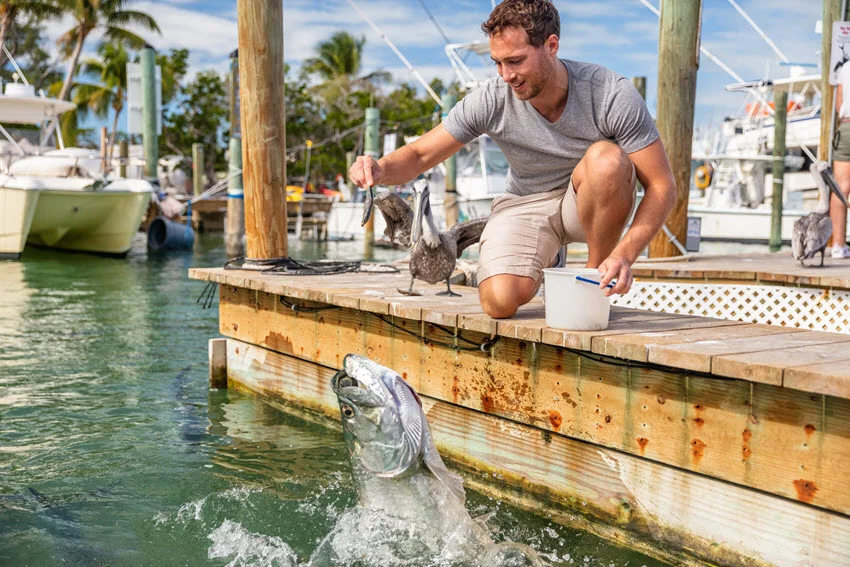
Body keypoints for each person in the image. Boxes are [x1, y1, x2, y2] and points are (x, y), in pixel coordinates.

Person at [348, 0, 676, 318]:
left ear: (551, 45)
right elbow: (420, 154)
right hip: (525, 202)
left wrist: (624, 255)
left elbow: (661, 186)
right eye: (498, 63)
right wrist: (379, 168)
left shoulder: (610, 93)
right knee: (499, 303)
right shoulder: (492, 98)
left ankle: (593, 280)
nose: (506, 75)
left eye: (516, 61)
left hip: (586, 200)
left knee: (607, 159)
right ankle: (546, 260)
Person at [832, 57, 850, 258]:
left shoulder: (845, 68)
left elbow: (839, 106)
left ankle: (838, 244)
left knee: (841, 187)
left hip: (846, 125)